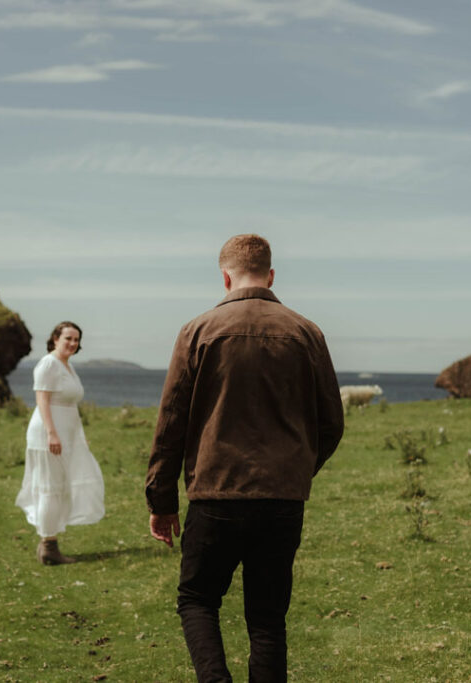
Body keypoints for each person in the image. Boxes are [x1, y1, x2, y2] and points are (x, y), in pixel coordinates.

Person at [145, 234, 345, 682]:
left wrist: (161, 501)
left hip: (215, 494)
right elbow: (332, 422)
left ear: (225, 277)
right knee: (268, 617)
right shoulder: (306, 332)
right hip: (282, 498)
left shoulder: (197, 331)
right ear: (271, 274)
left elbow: (170, 423)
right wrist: (293, 471)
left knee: (197, 600)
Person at [16, 321, 104, 565]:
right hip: (47, 434)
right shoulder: (48, 364)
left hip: (65, 434)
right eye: (68, 339)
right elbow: (42, 401)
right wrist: (51, 433)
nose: (73, 344)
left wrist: (78, 434)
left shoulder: (67, 366)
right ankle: (48, 547)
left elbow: (70, 405)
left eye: (76, 340)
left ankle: (49, 542)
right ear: (55, 339)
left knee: (61, 486)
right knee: (50, 488)